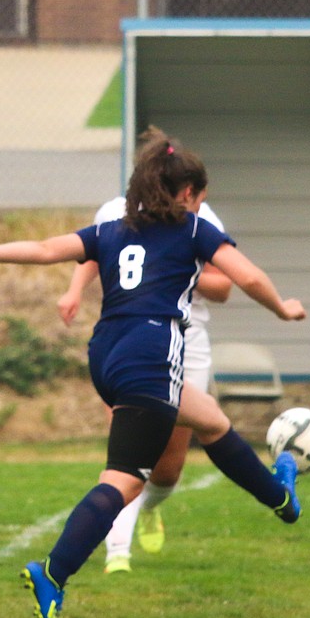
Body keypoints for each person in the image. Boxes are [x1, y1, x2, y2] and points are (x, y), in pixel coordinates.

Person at [0, 128, 307, 618]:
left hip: (108, 354)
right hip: (150, 353)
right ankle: (55, 570)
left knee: (211, 420)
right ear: (186, 194)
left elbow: (48, 248)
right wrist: (283, 309)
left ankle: (280, 498)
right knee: (125, 480)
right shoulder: (192, 228)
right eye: (200, 197)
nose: (201, 205)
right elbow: (246, 277)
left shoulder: (113, 228)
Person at [57, 190, 232, 574]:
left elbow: (224, 287)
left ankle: (151, 508)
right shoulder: (115, 212)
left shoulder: (202, 221)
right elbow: (90, 249)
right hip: (127, 340)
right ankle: (117, 549)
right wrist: (73, 291)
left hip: (186, 341)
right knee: (128, 455)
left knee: (168, 469)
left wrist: (175, 263)